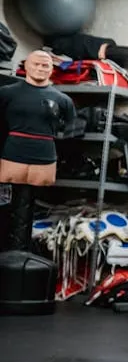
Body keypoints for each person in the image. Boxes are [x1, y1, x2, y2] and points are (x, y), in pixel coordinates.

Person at [0, 50, 75, 252]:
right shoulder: (7, 93)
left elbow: (70, 130)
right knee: (9, 209)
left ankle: (23, 253)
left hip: (44, 154)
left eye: (45, 66)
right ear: (26, 66)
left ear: (52, 69)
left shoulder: (63, 100)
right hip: (13, 153)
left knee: (31, 205)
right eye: (36, 64)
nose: (40, 69)